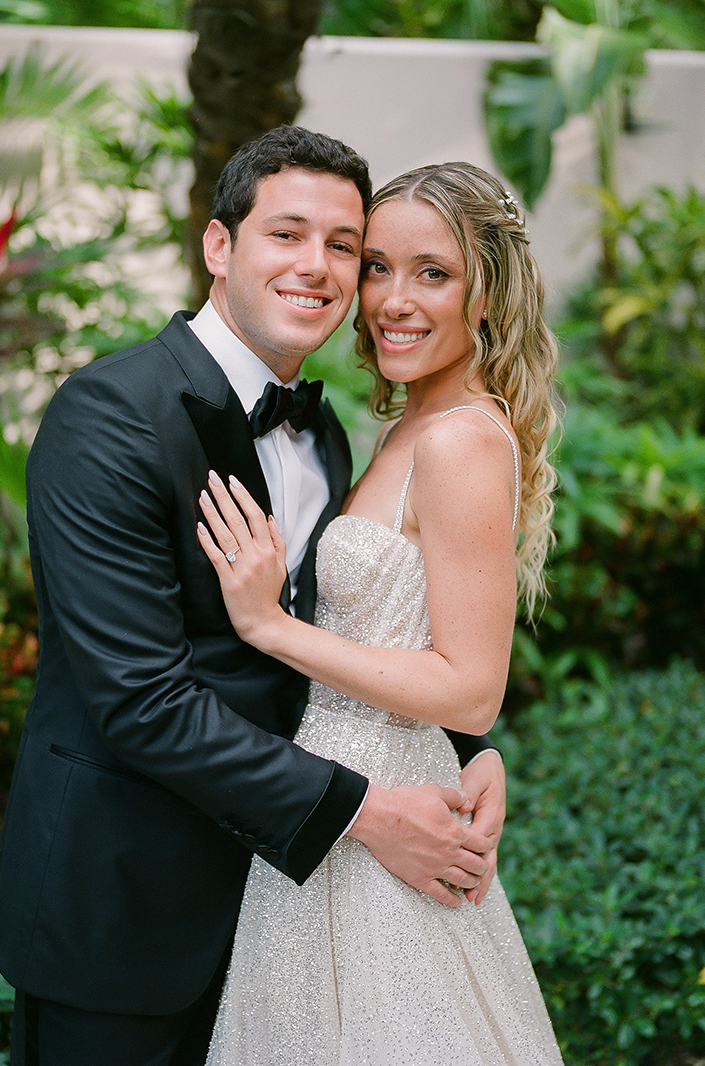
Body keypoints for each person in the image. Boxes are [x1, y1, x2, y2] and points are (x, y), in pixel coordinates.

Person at [0, 127, 507, 1066]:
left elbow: (351, 627)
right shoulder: (110, 416)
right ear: (219, 246)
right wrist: (366, 813)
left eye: (343, 246)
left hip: (287, 921)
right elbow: (141, 700)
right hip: (124, 917)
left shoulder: (328, 434)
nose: (318, 266)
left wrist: (465, 749)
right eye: (287, 234)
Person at [196, 161, 563, 1064]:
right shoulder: (406, 427)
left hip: (384, 810)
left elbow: (471, 689)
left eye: (433, 273)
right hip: (342, 798)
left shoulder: (460, 440)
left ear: (486, 293)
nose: (394, 301)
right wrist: (475, 755)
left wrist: (271, 628)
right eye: (378, 268)